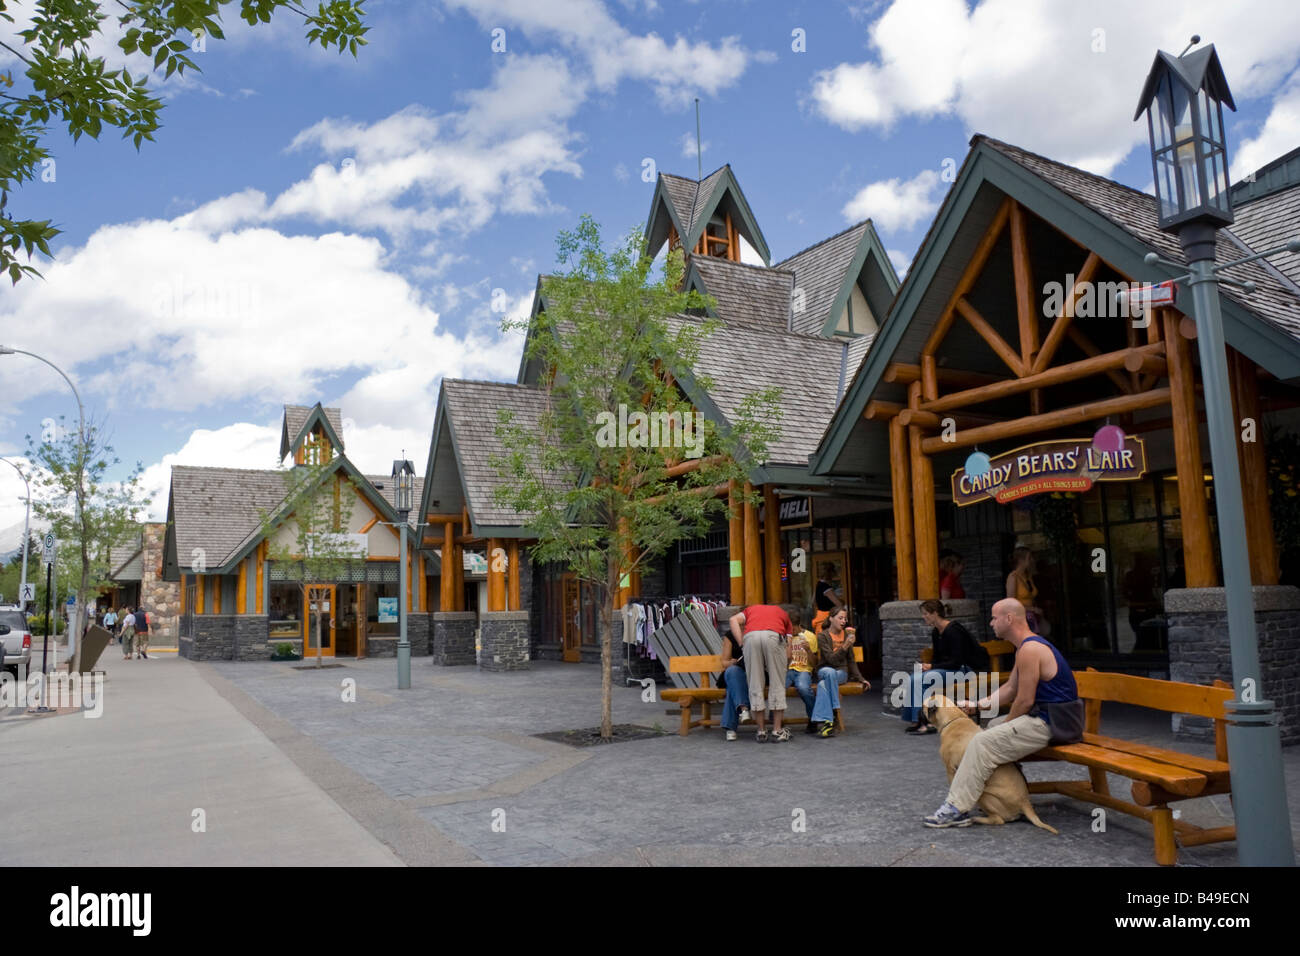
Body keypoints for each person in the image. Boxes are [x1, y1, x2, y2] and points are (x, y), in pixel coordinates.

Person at [923, 598, 1080, 828]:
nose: (991, 623)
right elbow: (1010, 689)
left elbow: (1024, 700)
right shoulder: (1025, 647)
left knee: (982, 742)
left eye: (995, 618)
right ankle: (1004, 796)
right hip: (1048, 718)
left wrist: (1008, 724)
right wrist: (977, 705)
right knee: (992, 729)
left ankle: (955, 807)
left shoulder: (1030, 649)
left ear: (1009, 618)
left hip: (1054, 723)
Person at [901, 600, 988, 734]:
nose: (923, 617)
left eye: (926, 614)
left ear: (935, 613)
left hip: (964, 669)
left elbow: (957, 661)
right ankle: (916, 720)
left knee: (921, 680)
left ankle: (927, 723)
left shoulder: (954, 631)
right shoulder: (936, 632)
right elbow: (937, 657)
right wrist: (928, 666)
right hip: (949, 669)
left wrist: (932, 667)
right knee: (913, 678)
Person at [728, 604, 793, 742]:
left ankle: (761, 731)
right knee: (777, 685)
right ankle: (777, 730)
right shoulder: (783, 614)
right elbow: (788, 654)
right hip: (774, 636)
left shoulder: (751, 610)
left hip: (751, 638)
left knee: (755, 684)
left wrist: (742, 644)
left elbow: (733, 620)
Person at [809, 607, 869, 738]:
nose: (843, 621)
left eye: (845, 618)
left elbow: (851, 660)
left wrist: (861, 678)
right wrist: (845, 646)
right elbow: (830, 659)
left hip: (841, 673)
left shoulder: (847, 635)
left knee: (822, 685)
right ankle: (835, 709)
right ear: (831, 618)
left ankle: (828, 722)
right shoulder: (822, 636)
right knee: (829, 672)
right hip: (824, 670)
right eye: (840, 618)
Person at [784, 607, 820, 733]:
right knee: (777, 688)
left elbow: (815, 664)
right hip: (788, 670)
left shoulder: (810, 636)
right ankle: (775, 720)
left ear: (798, 625)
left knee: (803, 688)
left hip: (804, 670)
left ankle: (813, 719)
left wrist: (808, 650)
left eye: (792, 629)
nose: (790, 632)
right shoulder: (785, 637)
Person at [717, 629, 750, 742]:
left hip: (753, 674)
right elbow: (724, 662)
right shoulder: (730, 635)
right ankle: (743, 708)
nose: (742, 626)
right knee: (732, 672)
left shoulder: (756, 632)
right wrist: (732, 662)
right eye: (740, 624)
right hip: (736, 672)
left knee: (732, 689)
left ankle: (730, 728)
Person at [1007, 546, 1042, 632]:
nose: (1032, 560)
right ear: (1021, 560)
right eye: (1029, 558)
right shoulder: (1013, 577)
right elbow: (1011, 603)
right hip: (1022, 617)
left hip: (1032, 616)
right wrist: (1032, 609)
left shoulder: (1027, 576)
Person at [811, 562, 844, 632]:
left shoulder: (818, 585)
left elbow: (813, 602)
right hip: (827, 621)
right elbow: (839, 604)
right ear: (830, 573)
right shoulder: (826, 588)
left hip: (819, 618)